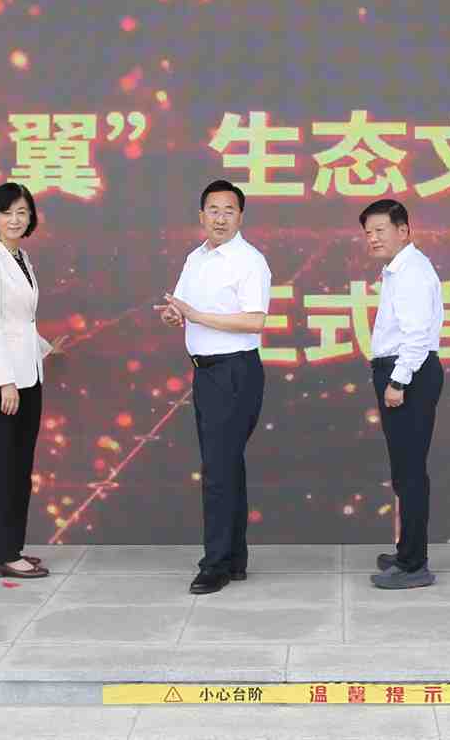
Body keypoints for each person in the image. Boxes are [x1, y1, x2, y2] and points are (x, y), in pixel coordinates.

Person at [157, 178, 272, 595]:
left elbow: (255, 320)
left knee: (219, 471)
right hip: (206, 372)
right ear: (201, 215)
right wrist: (175, 316)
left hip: (234, 372)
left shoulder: (249, 261)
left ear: (240, 217)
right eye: (213, 210)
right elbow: (184, 308)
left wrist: (197, 316)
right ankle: (234, 558)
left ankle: (216, 564)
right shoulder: (196, 258)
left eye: (229, 211)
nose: (220, 218)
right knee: (225, 466)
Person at [0, 181, 66, 580]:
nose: (15, 219)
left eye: (22, 212)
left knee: (21, 466)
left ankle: (12, 548)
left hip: (29, 374)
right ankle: (1, 553)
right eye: (7, 212)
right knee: (4, 466)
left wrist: (46, 348)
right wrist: (6, 382)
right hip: (1, 382)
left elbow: (21, 322)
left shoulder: (21, 257)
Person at [358, 198, 445, 590]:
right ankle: (407, 550)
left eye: (380, 230)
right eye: (368, 233)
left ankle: (414, 564)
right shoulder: (398, 269)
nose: (373, 239)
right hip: (402, 371)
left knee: (409, 472)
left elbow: (417, 336)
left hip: (408, 374)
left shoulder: (411, 272)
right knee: (404, 471)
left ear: (403, 230)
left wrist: (397, 382)